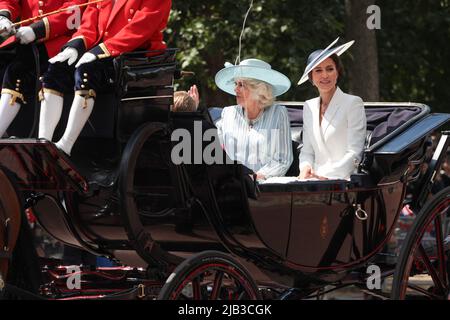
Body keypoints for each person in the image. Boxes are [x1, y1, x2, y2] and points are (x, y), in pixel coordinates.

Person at [38, 0, 172, 155]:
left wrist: (101, 51)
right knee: (56, 69)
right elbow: (89, 23)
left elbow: (140, 28)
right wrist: (75, 47)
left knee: (86, 72)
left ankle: (65, 145)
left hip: (133, 55)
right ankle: (43, 143)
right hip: (102, 50)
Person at [0, 0, 87, 137]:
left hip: (60, 42)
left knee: (16, 71)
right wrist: (4, 16)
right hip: (24, 38)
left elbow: (74, 10)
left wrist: (38, 29)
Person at [298, 38, 366, 180]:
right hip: (313, 182)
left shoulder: (353, 103)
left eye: (330, 69)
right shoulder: (308, 106)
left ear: (337, 72)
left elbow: (355, 152)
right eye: (318, 70)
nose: (325, 75)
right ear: (311, 78)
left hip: (343, 181)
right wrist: (305, 169)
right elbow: (307, 152)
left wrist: (327, 176)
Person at [214, 58, 293, 181]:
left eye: (241, 85)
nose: (235, 89)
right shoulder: (228, 113)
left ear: (259, 90)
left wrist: (255, 177)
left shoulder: (278, 113)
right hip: (232, 187)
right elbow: (213, 149)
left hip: (265, 190)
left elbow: (283, 159)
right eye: (236, 84)